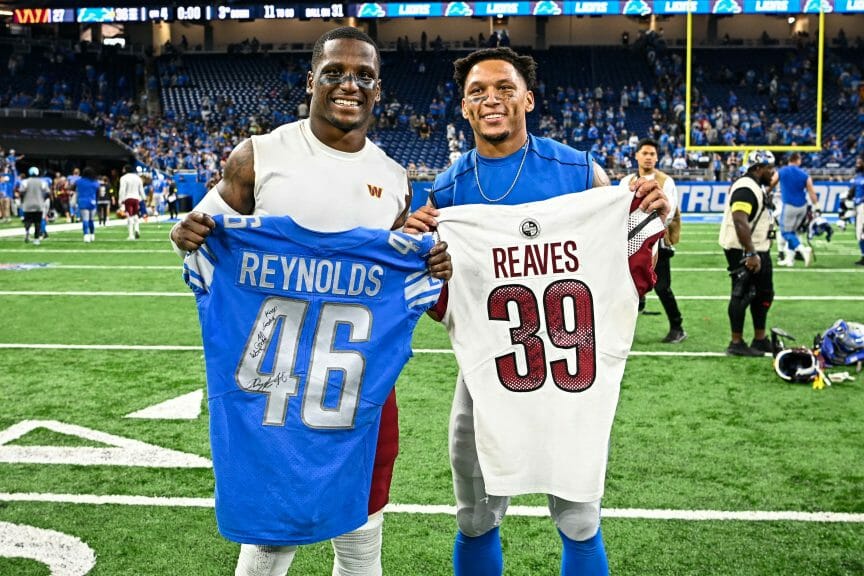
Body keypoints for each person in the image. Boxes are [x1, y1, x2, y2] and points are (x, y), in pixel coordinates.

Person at [170, 27, 452, 576]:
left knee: (362, 527)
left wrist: (430, 264)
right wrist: (181, 234)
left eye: (364, 76)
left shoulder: (393, 177)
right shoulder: (258, 156)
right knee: (272, 535)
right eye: (336, 73)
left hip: (355, 380)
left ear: (379, 89)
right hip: (272, 379)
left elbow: (394, 272)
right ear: (311, 81)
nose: (350, 85)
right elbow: (201, 236)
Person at [404, 47, 668, 576]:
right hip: (492, 370)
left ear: (528, 97)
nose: (491, 99)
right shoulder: (448, 186)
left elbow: (625, 255)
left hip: (572, 368)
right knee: (475, 514)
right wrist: (422, 249)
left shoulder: (576, 169)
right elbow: (442, 297)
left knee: (579, 516)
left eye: (504, 87)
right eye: (477, 91)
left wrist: (643, 213)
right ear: (463, 106)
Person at [621, 137, 685, 343]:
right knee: (627, 286)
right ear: (636, 155)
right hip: (631, 244)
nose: (648, 157)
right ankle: (625, 327)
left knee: (662, 287)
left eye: (652, 154)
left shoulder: (666, 181)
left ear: (657, 158)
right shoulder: (626, 181)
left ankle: (677, 327)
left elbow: (668, 212)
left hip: (658, 242)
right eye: (645, 153)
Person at [719, 150, 777, 357]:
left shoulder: (754, 186)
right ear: (758, 168)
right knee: (741, 294)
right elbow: (739, 220)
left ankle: (759, 339)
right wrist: (751, 253)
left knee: (763, 294)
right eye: (770, 168)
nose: (772, 172)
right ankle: (736, 342)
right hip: (745, 250)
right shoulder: (745, 187)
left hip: (758, 248)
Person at [768, 152, 817, 267]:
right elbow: (812, 193)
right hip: (803, 206)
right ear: (798, 160)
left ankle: (802, 250)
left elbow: (771, 184)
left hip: (789, 205)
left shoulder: (782, 171)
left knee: (785, 232)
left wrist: (764, 194)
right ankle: (790, 260)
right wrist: (817, 208)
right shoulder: (804, 174)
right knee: (793, 232)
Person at [17, 166, 48, 245]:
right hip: (39, 204)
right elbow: (47, 192)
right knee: (37, 222)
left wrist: (23, 200)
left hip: (28, 204)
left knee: (27, 221)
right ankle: (36, 239)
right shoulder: (42, 182)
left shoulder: (25, 182)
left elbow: (21, 192)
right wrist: (42, 199)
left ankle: (27, 232)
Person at [72, 167, 99, 242]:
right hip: (92, 201)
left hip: (82, 201)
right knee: (91, 220)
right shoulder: (95, 182)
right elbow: (98, 193)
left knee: (85, 219)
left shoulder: (79, 181)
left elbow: (72, 188)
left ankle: (86, 235)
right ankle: (92, 235)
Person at [118, 164, 144, 240]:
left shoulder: (123, 178)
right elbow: (141, 189)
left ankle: (131, 235)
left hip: (128, 198)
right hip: (136, 198)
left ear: (125, 169)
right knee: (136, 215)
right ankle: (137, 229)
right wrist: (143, 198)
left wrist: (120, 200)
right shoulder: (137, 177)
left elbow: (122, 189)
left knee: (130, 216)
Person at [850, 154, 864, 266]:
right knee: (859, 232)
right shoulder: (858, 175)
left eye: (860, 163)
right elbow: (853, 190)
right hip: (858, 206)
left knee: (862, 232)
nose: (857, 164)